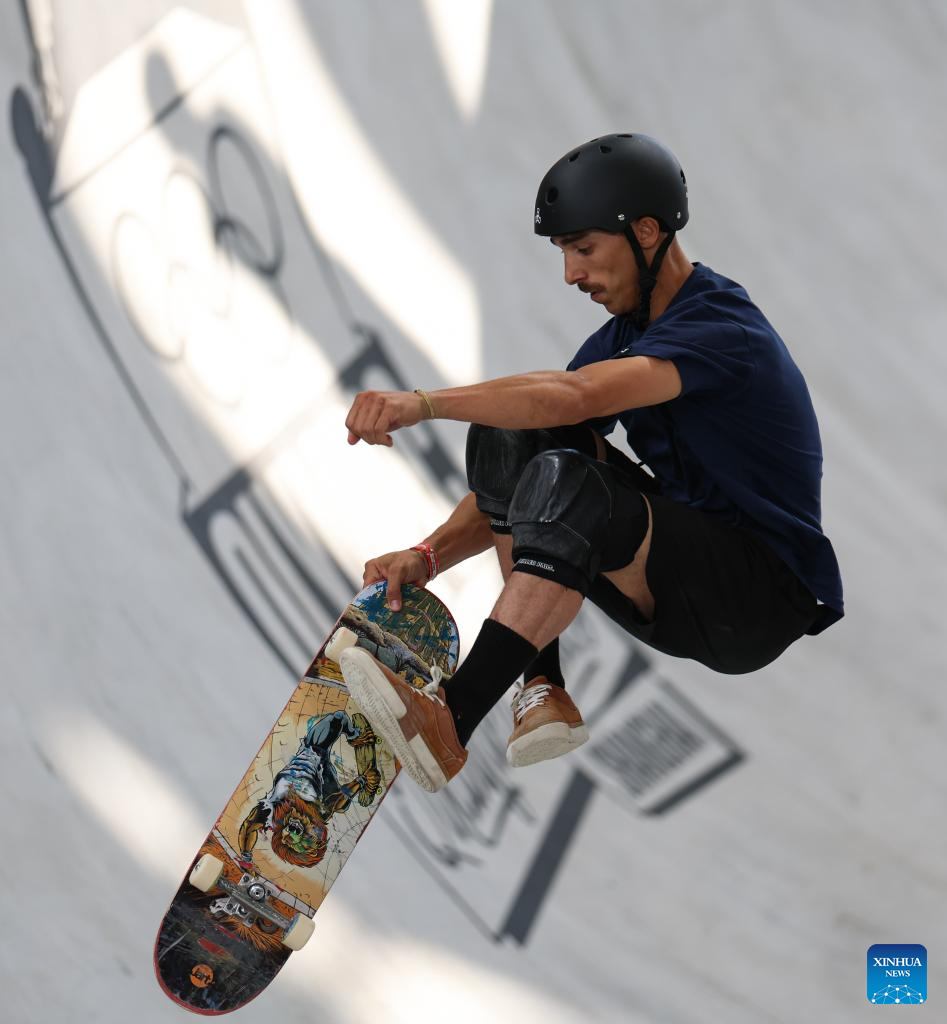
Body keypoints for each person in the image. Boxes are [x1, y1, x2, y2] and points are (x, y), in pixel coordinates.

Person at [336, 132, 843, 794]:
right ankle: (541, 686)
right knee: (513, 434)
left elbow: (574, 396)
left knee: (567, 468)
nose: (571, 275)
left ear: (647, 232)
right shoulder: (625, 337)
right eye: (564, 254)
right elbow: (533, 439)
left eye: (582, 249)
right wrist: (427, 556)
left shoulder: (722, 329)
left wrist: (424, 403)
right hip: (676, 576)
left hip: (755, 597)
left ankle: (452, 721)